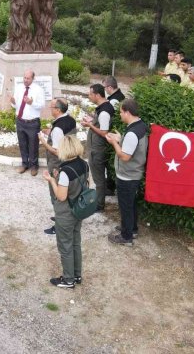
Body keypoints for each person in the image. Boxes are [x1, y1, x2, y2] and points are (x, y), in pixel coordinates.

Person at [43, 135, 89, 288]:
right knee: (76, 242)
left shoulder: (65, 171)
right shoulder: (84, 164)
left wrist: (51, 180)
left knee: (65, 246)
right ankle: (77, 275)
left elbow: (61, 196)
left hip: (66, 213)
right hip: (79, 210)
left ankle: (68, 279)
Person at [105, 99, 148, 246]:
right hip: (134, 173)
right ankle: (132, 229)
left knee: (125, 206)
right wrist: (120, 138)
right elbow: (132, 145)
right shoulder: (140, 125)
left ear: (127, 112)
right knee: (131, 204)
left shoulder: (132, 133)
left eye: (121, 112)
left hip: (127, 175)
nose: (120, 115)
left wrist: (114, 143)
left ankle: (126, 237)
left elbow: (125, 156)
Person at [39, 98, 77, 235]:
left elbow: (56, 150)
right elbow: (64, 137)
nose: (50, 109)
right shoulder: (70, 120)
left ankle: (60, 225)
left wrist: (43, 141)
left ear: (58, 110)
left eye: (52, 107)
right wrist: (51, 131)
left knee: (57, 194)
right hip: (70, 160)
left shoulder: (58, 128)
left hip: (57, 164)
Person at [81, 84, 114, 211]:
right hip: (98, 147)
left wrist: (90, 125)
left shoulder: (104, 112)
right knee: (99, 177)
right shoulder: (104, 107)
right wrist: (92, 121)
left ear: (97, 95)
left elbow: (104, 132)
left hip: (98, 148)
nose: (89, 97)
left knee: (98, 178)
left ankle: (99, 204)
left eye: (90, 94)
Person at [11, 69, 45, 176]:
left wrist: (32, 103)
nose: (25, 80)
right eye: (24, 78)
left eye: (28, 78)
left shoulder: (38, 90)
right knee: (22, 144)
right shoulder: (19, 88)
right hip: (20, 121)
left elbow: (42, 105)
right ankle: (24, 164)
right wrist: (13, 102)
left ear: (33, 78)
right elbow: (17, 105)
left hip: (32, 122)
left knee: (33, 145)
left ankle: (34, 166)